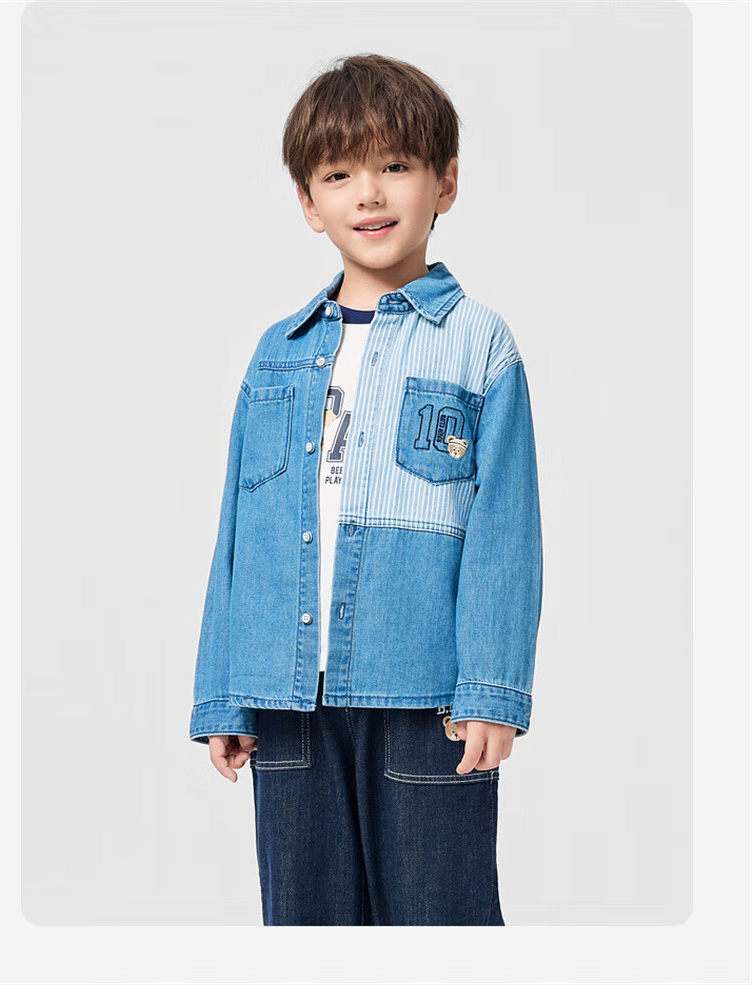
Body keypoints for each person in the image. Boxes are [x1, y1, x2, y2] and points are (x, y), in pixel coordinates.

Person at [189, 53, 544, 926]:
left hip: (426, 695)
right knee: (306, 923)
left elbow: (505, 531)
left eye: (395, 165)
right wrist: (223, 691)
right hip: (287, 697)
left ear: (445, 182)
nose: (370, 194)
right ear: (309, 203)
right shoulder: (277, 353)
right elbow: (239, 530)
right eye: (339, 175)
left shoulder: (478, 344)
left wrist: (492, 687)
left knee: (439, 916)